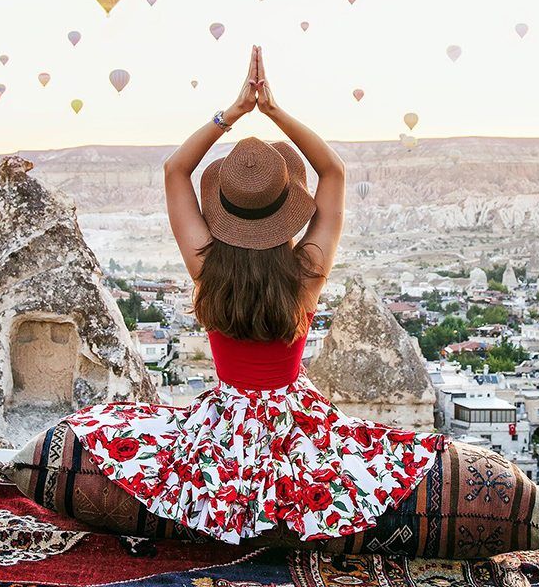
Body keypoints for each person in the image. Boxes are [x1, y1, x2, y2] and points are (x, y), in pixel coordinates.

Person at [63, 47, 446, 544]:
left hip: (221, 430)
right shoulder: (306, 273)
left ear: (223, 205)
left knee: (119, 427)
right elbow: (334, 172)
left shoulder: (207, 268)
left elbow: (175, 170)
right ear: (285, 207)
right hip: (296, 426)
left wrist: (233, 113)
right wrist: (275, 111)